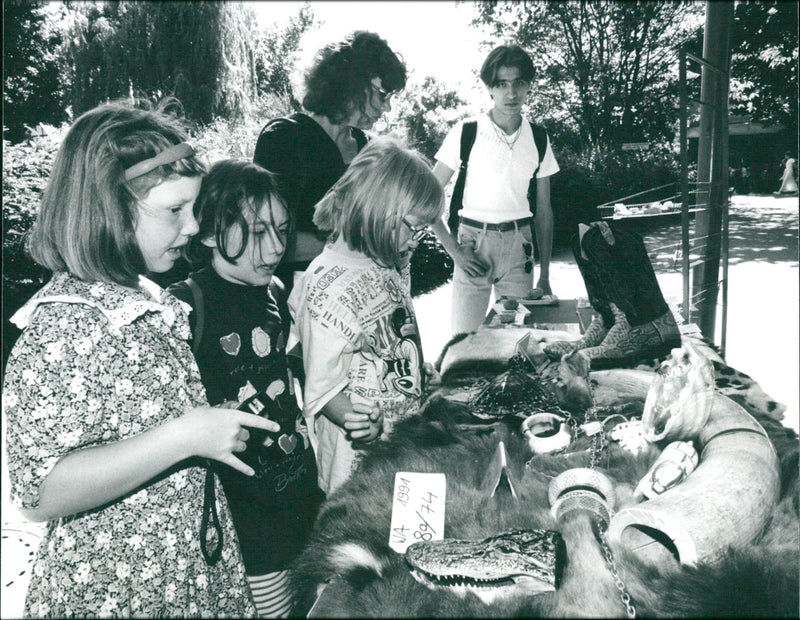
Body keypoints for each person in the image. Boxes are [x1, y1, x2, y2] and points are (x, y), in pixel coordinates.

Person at [2, 102, 277, 617]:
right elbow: (38, 495)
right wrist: (183, 437)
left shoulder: (145, 302)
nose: (194, 226)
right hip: (119, 588)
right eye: (175, 210)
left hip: (180, 569)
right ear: (111, 210)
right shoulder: (66, 326)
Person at [167, 159, 325, 617]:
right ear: (210, 232)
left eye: (281, 229)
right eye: (257, 233)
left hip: (299, 498)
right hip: (246, 525)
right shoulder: (184, 307)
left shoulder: (274, 291)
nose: (276, 246)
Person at [288, 138, 442, 495]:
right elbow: (322, 390)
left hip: (402, 441)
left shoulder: (390, 261)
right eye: (413, 227)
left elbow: (393, 336)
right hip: (355, 463)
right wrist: (360, 422)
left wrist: (419, 370)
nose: (417, 241)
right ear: (380, 209)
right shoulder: (325, 286)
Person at [254, 30, 407, 294]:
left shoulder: (367, 145)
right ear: (350, 85)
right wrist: (362, 244)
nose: (388, 108)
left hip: (356, 295)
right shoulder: (284, 137)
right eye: (382, 94)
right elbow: (264, 240)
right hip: (297, 298)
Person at [430, 44, 560, 335]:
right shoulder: (467, 131)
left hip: (519, 247)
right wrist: (454, 251)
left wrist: (546, 275)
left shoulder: (538, 138)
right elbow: (423, 196)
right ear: (489, 87)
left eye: (519, 83)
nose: (511, 94)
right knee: (465, 343)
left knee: (514, 345)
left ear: (529, 87)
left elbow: (544, 211)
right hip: (472, 244)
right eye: (501, 84)